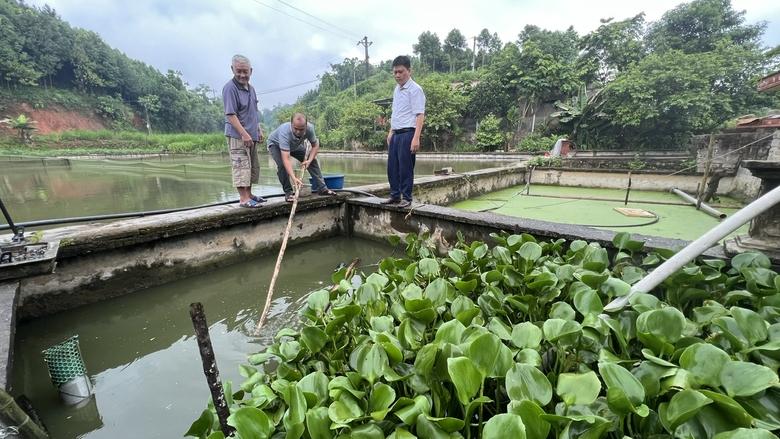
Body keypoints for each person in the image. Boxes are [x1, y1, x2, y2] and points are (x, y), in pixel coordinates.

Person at [222, 54, 266, 208]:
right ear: (232, 69)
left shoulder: (251, 89)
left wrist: (258, 129)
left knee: (252, 166)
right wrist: (244, 133)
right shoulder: (230, 88)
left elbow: (253, 110)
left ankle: (250, 195)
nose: (242, 75)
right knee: (241, 165)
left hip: (251, 134)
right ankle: (244, 199)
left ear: (251, 71)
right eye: (238, 71)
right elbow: (231, 115)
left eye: (245, 71)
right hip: (238, 135)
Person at [383, 55, 426, 208]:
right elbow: (396, 112)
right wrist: (391, 131)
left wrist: (416, 138)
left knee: (405, 168)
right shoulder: (397, 89)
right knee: (392, 167)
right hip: (396, 134)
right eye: (395, 72)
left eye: (400, 72)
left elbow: (420, 115)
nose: (397, 75)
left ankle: (406, 198)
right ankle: (395, 196)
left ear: (409, 70)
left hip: (408, 133)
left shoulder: (415, 90)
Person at [267, 113, 336, 202]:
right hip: (276, 144)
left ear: (306, 125)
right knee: (282, 166)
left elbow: (315, 146)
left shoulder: (310, 129)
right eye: (296, 129)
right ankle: (288, 193)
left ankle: (323, 189)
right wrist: (294, 178)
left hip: (294, 145)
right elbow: (286, 159)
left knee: (313, 161)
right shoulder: (285, 132)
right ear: (291, 124)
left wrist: (309, 160)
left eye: (301, 129)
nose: (298, 132)